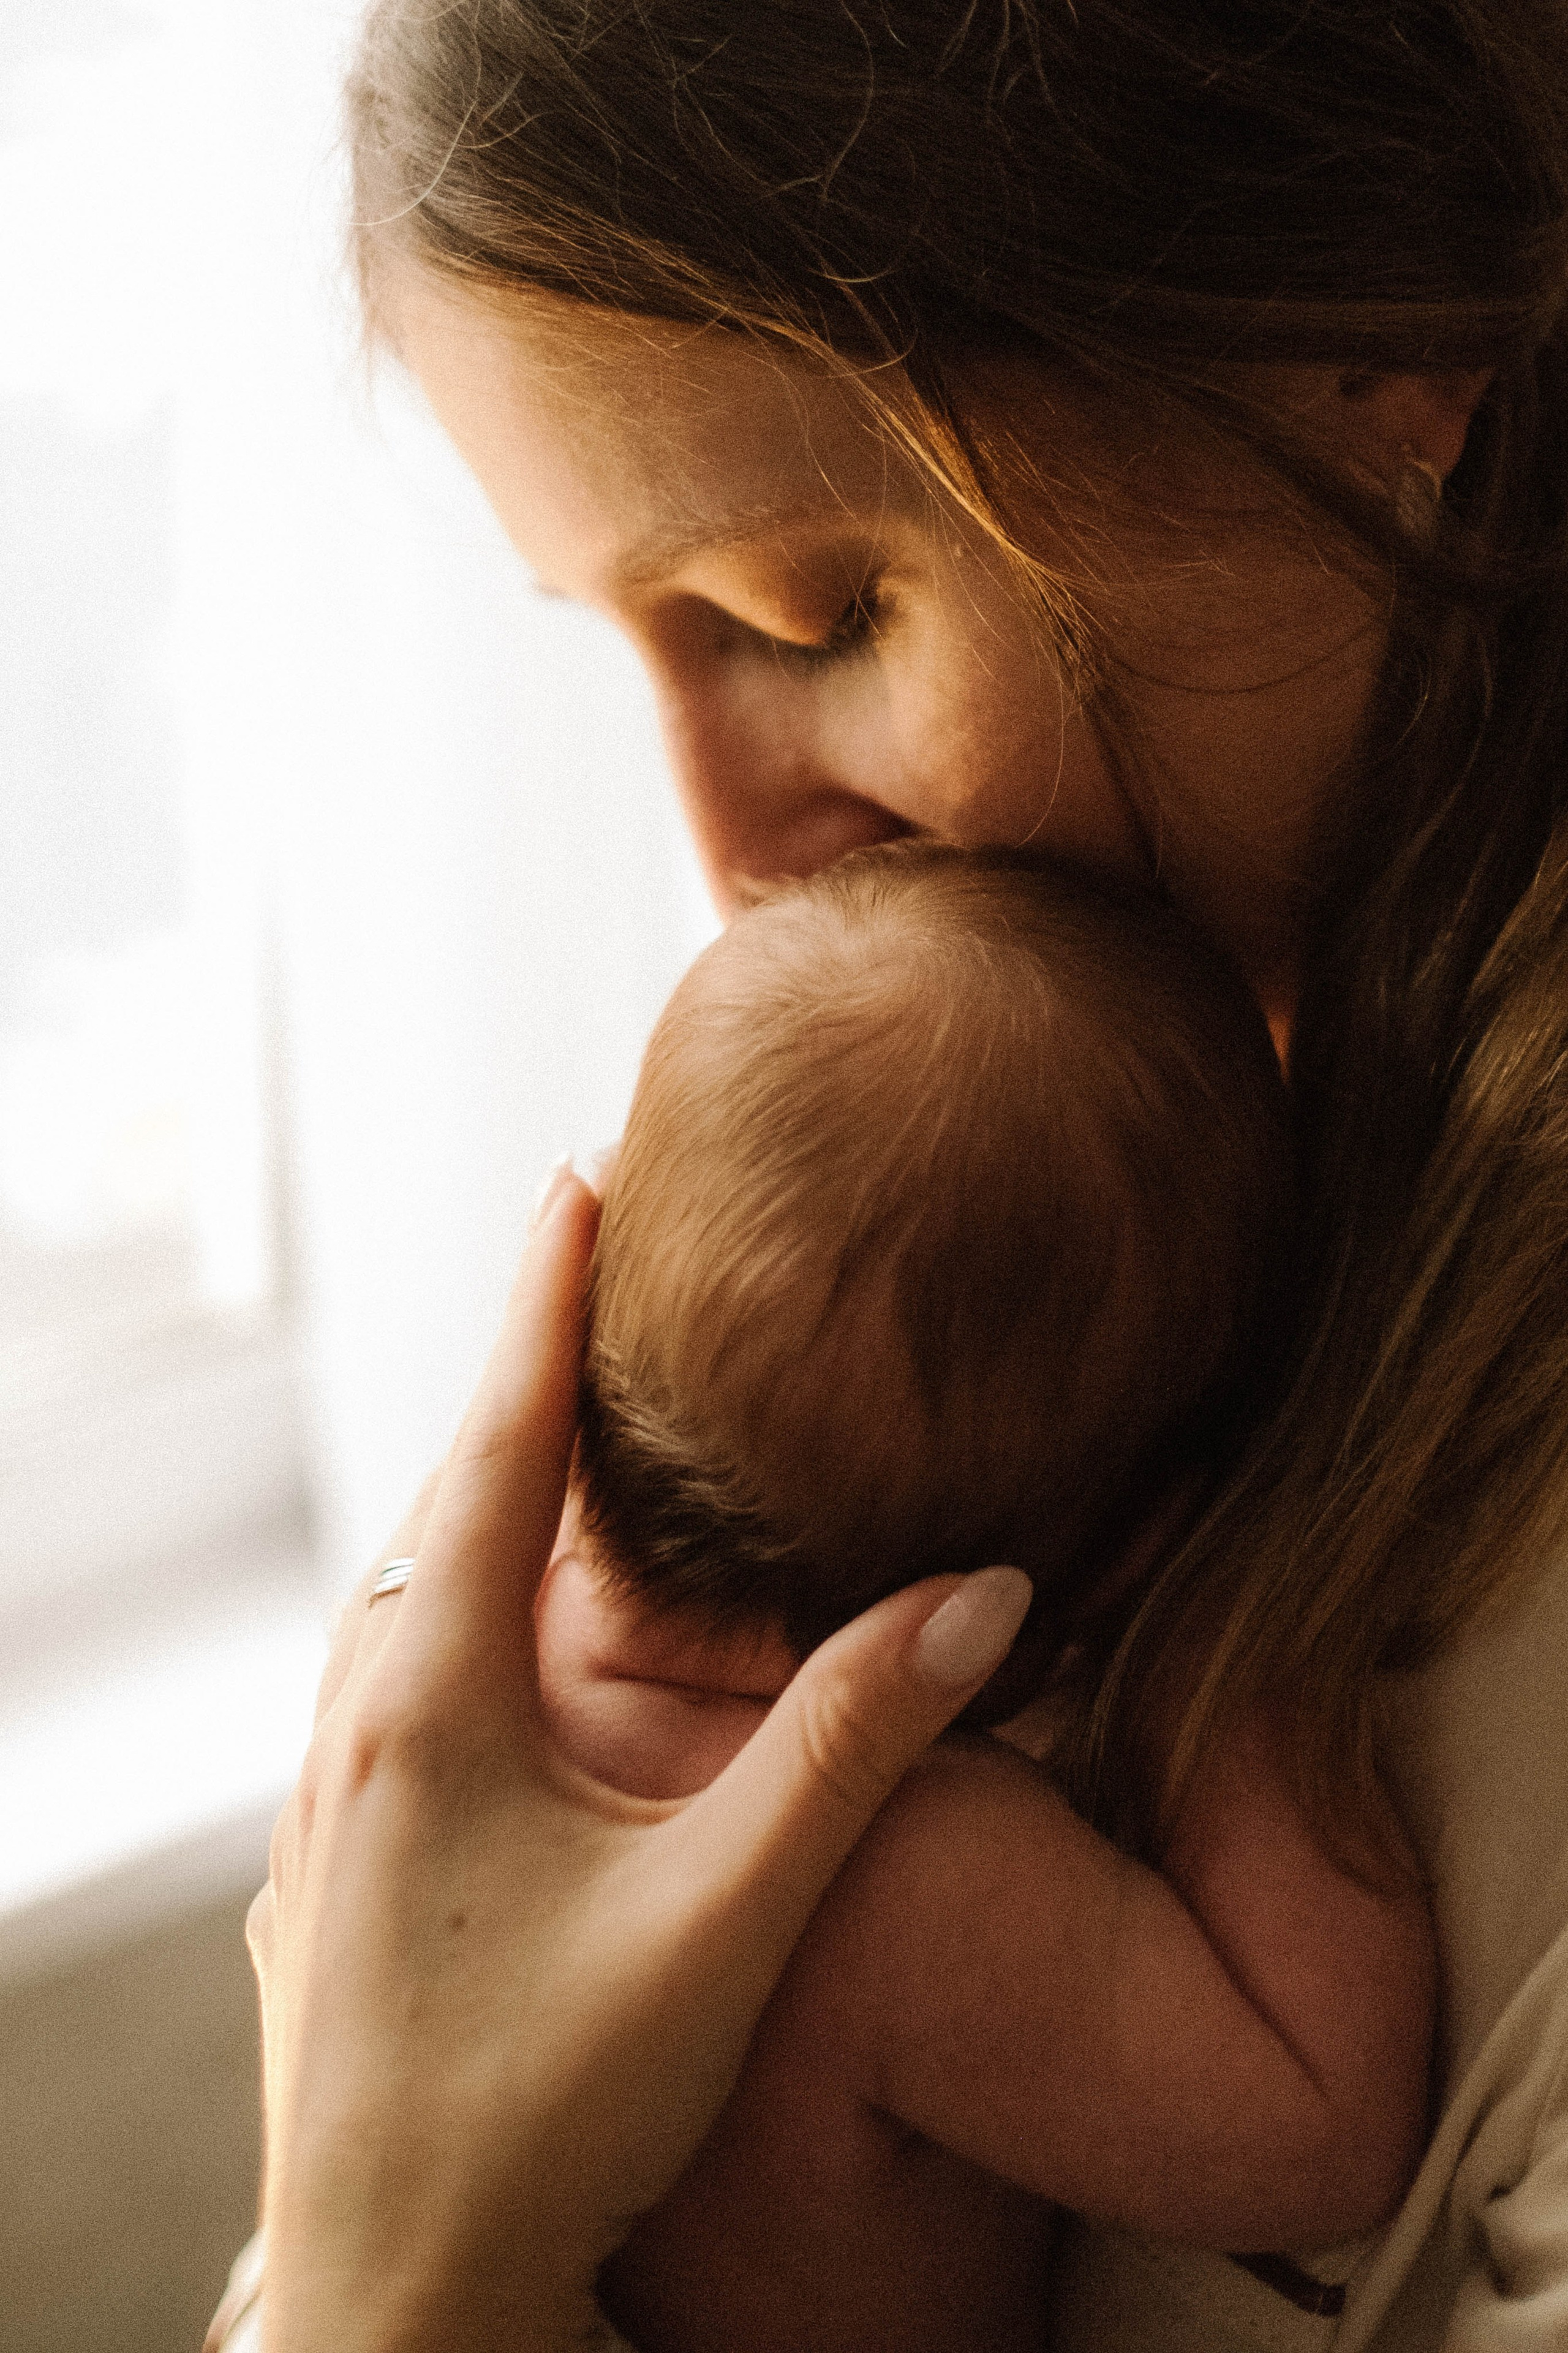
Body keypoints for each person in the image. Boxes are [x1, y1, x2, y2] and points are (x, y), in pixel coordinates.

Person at [226, 3, 1568, 2347]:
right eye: (635, 654)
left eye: (818, 616)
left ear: (1369, 338)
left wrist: (392, 2272)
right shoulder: (1008, 1219)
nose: (732, 860)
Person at [532, 837, 1433, 2353]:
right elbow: (1319, 2124)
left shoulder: (487, 1664)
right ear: (1128, 1548)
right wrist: (1236, 1596)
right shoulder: (898, 1874)